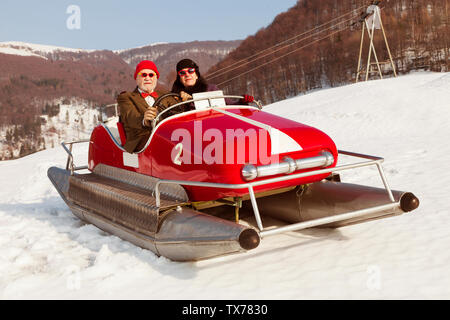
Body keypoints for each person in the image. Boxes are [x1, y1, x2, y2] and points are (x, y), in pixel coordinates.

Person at [117, 60, 162, 153]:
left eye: (151, 75)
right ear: (136, 79)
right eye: (143, 75)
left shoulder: (165, 95)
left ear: (156, 78)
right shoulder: (126, 97)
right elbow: (130, 117)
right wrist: (144, 120)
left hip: (166, 135)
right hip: (140, 140)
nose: (147, 78)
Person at [171, 58, 254, 105]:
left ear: (196, 75)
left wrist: (241, 102)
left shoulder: (211, 90)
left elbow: (229, 105)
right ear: (179, 78)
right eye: (182, 73)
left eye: (190, 71)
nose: (187, 75)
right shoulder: (173, 97)